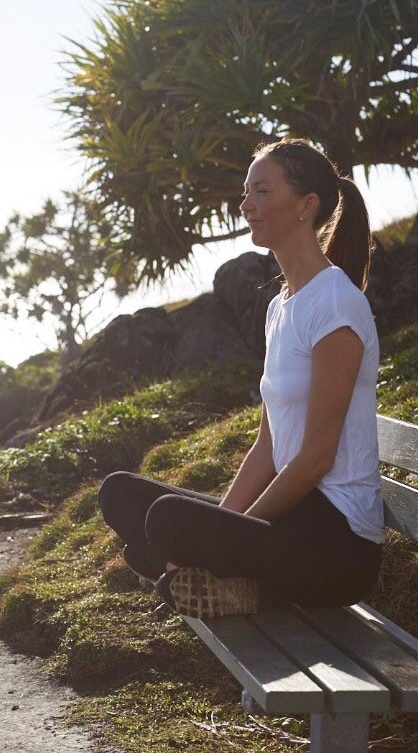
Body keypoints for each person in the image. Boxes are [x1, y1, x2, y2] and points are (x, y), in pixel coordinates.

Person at [98, 137, 384, 619]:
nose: (247, 206)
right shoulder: (280, 307)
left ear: (306, 206)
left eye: (263, 192)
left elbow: (315, 459)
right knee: (120, 492)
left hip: (335, 546)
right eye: (246, 193)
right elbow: (268, 449)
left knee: (167, 520)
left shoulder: (335, 304)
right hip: (288, 522)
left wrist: (225, 538)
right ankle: (200, 572)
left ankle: (188, 569)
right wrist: (222, 529)